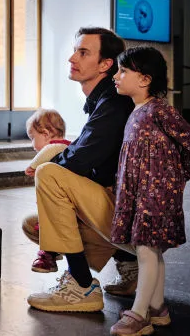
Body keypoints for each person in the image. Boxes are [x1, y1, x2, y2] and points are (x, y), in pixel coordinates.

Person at [26, 27, 137, 314]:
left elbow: (81, 159)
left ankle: (81, 285)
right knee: (34, 223)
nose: (72, 57)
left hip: (130, 215)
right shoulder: (103, 101)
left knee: (49, 175)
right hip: (118, 204)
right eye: (76, 50)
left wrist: (50, 167)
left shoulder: (113, 103)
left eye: (83, 52)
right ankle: (132, 268)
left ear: (105, 64)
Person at [109, 46, 190, 336]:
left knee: (147, 250)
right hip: (141, 193)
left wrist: (179, 175)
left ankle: (139, 314)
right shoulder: (137, 110)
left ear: (145, 79)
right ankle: (158, 308)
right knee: (149, 250)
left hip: (156, 194)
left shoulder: (158, 110)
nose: (117, 76)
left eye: (124, 71)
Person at [23, 108, 70, 273]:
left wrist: (32, 166)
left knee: (48, 223)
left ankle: (48, 253)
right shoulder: (65, 148)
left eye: (32, 138)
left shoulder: (57, 146)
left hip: (60, 203)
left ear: (45, 133)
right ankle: (51, 252)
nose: (32, 144)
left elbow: (49, 150)